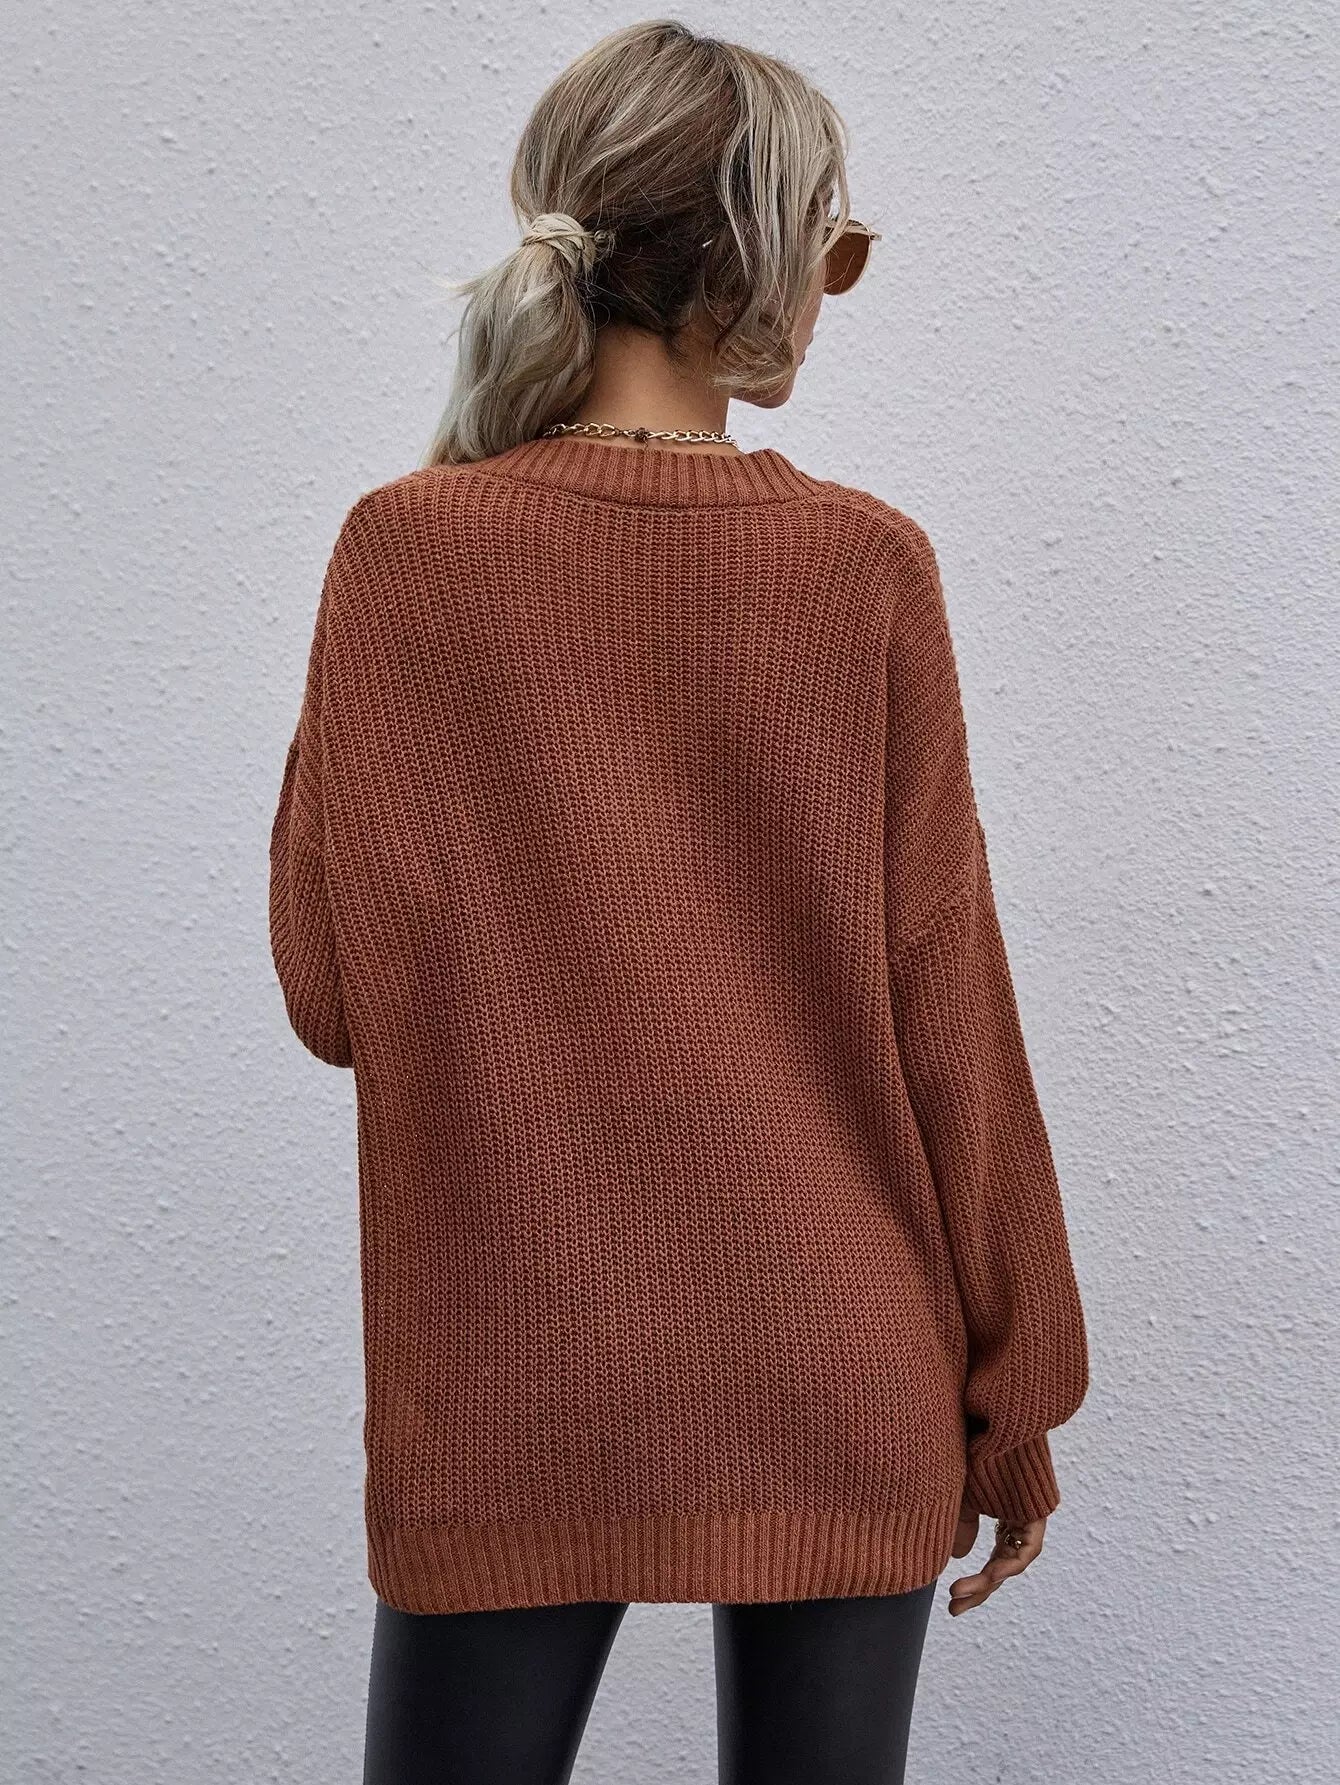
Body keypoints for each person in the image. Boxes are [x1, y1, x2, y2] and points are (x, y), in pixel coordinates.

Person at [267, 19, 1090, 1785]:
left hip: (510, 1380)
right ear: (752, 261)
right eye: (831, 246)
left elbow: (331, 993)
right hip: (843, 1359)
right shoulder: (866, 568)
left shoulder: (403, 549)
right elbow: (951, 1012)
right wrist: (1019, 1392)